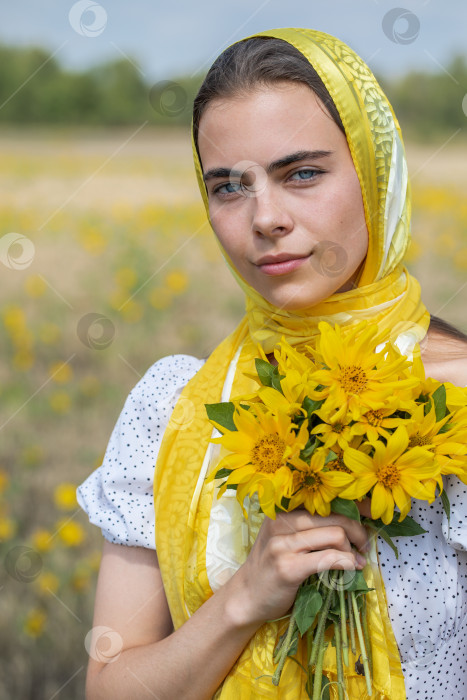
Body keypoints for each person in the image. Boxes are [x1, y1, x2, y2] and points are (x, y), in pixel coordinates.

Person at [77, 27, 467, 700]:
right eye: (228, 187)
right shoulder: (176, 405)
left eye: (302, 174)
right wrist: (243, 599)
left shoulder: (452, 399)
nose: (265, 217)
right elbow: (112, 689)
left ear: (375, 171)